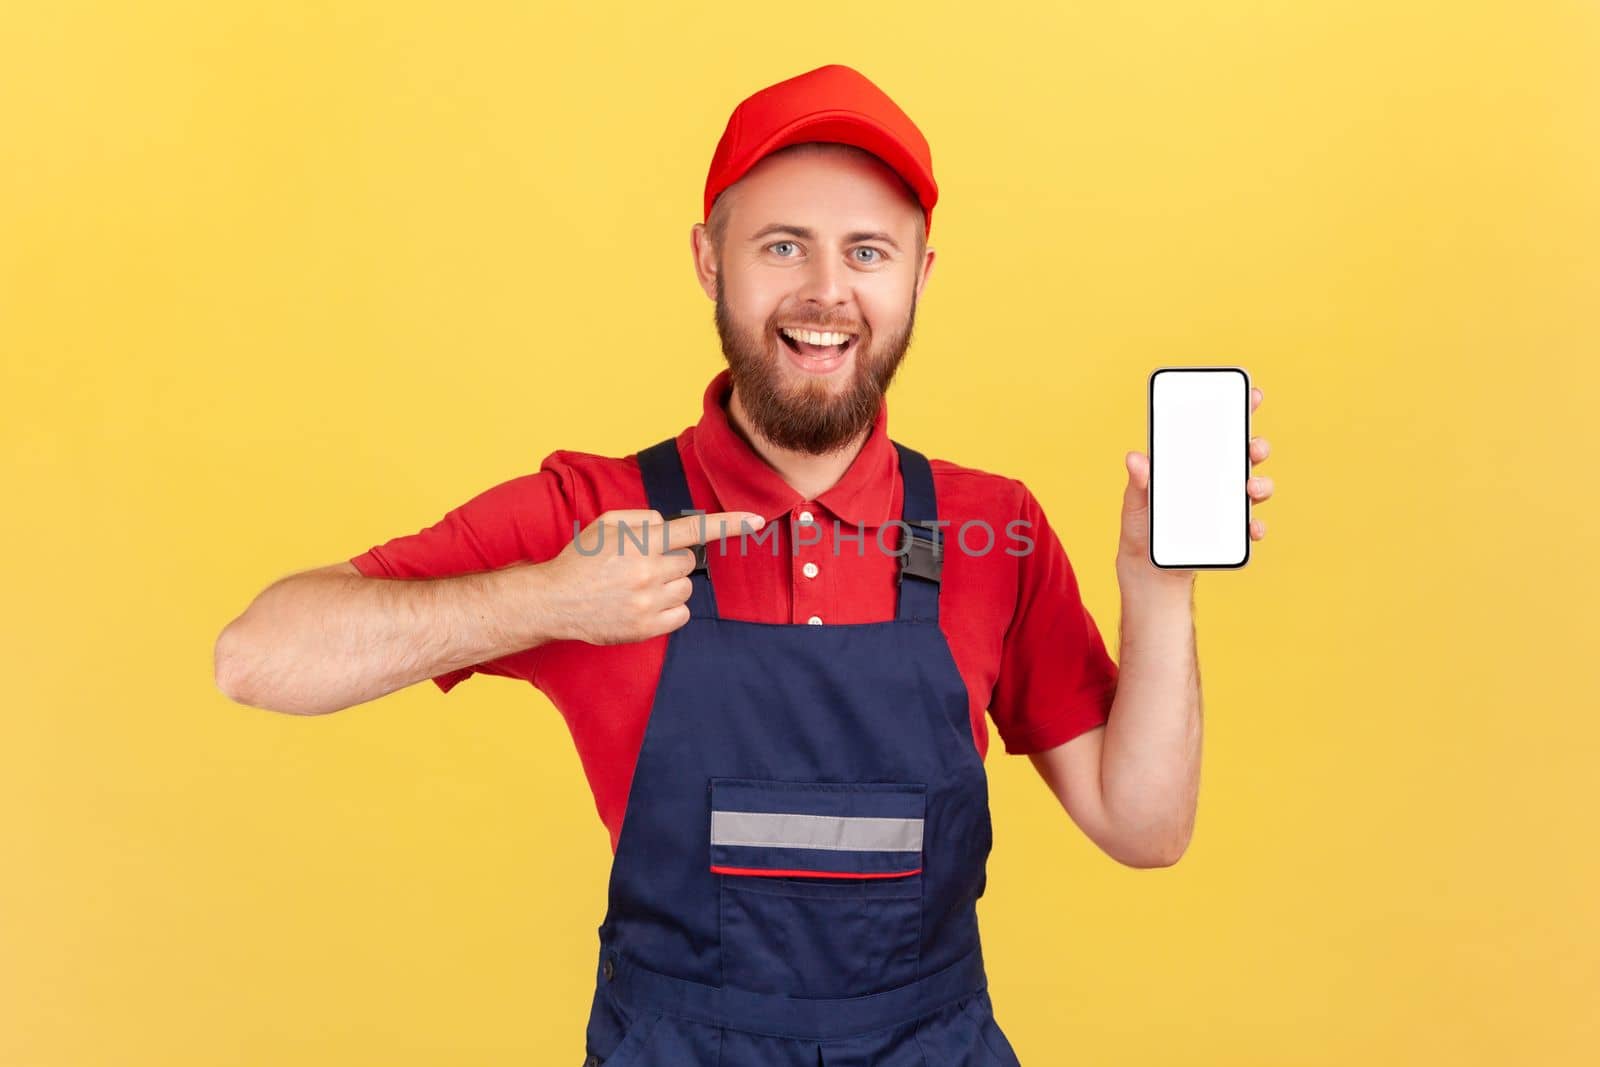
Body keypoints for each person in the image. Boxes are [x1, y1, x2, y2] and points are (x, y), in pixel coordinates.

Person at [215, 63, 1275, 1066]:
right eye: (781, 246)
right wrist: (548, 596)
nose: (826, 292)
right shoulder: (597, 514)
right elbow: (257, 659)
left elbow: (1144, 826)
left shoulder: (990, 526)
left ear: (919, 275)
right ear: (708, 258)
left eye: (867, 251)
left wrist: (1158, 584)